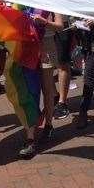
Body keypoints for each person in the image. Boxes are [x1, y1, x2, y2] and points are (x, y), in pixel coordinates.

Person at [33, 10, 64, 140]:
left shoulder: (51, 1)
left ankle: (48, 124)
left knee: (47, 89)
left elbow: (60, 26)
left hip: (46, 45)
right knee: (31, 88)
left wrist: (44, 22)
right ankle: (34, 120)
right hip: (29, 45)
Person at [53, 17, 73, 120]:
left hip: (62, 26)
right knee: (44, 66)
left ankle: (62, 102)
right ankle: (54, 96)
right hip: (43, 28)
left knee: (62, 64)